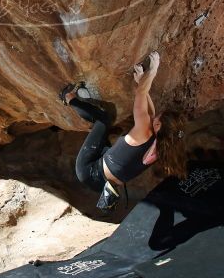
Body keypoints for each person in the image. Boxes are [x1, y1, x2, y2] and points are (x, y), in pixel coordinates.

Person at [61, 51, 187, 212]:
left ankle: (68, 97)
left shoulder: (143, 131)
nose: (156, 116)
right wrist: (141, 80)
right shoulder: (163, 144)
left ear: (158, 126)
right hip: (103, 182)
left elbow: (141, 94)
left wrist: (153, 70)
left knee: (104, 120)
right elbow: (146, 103)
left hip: (89, 170)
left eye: (158, 118)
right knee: (108, 135)